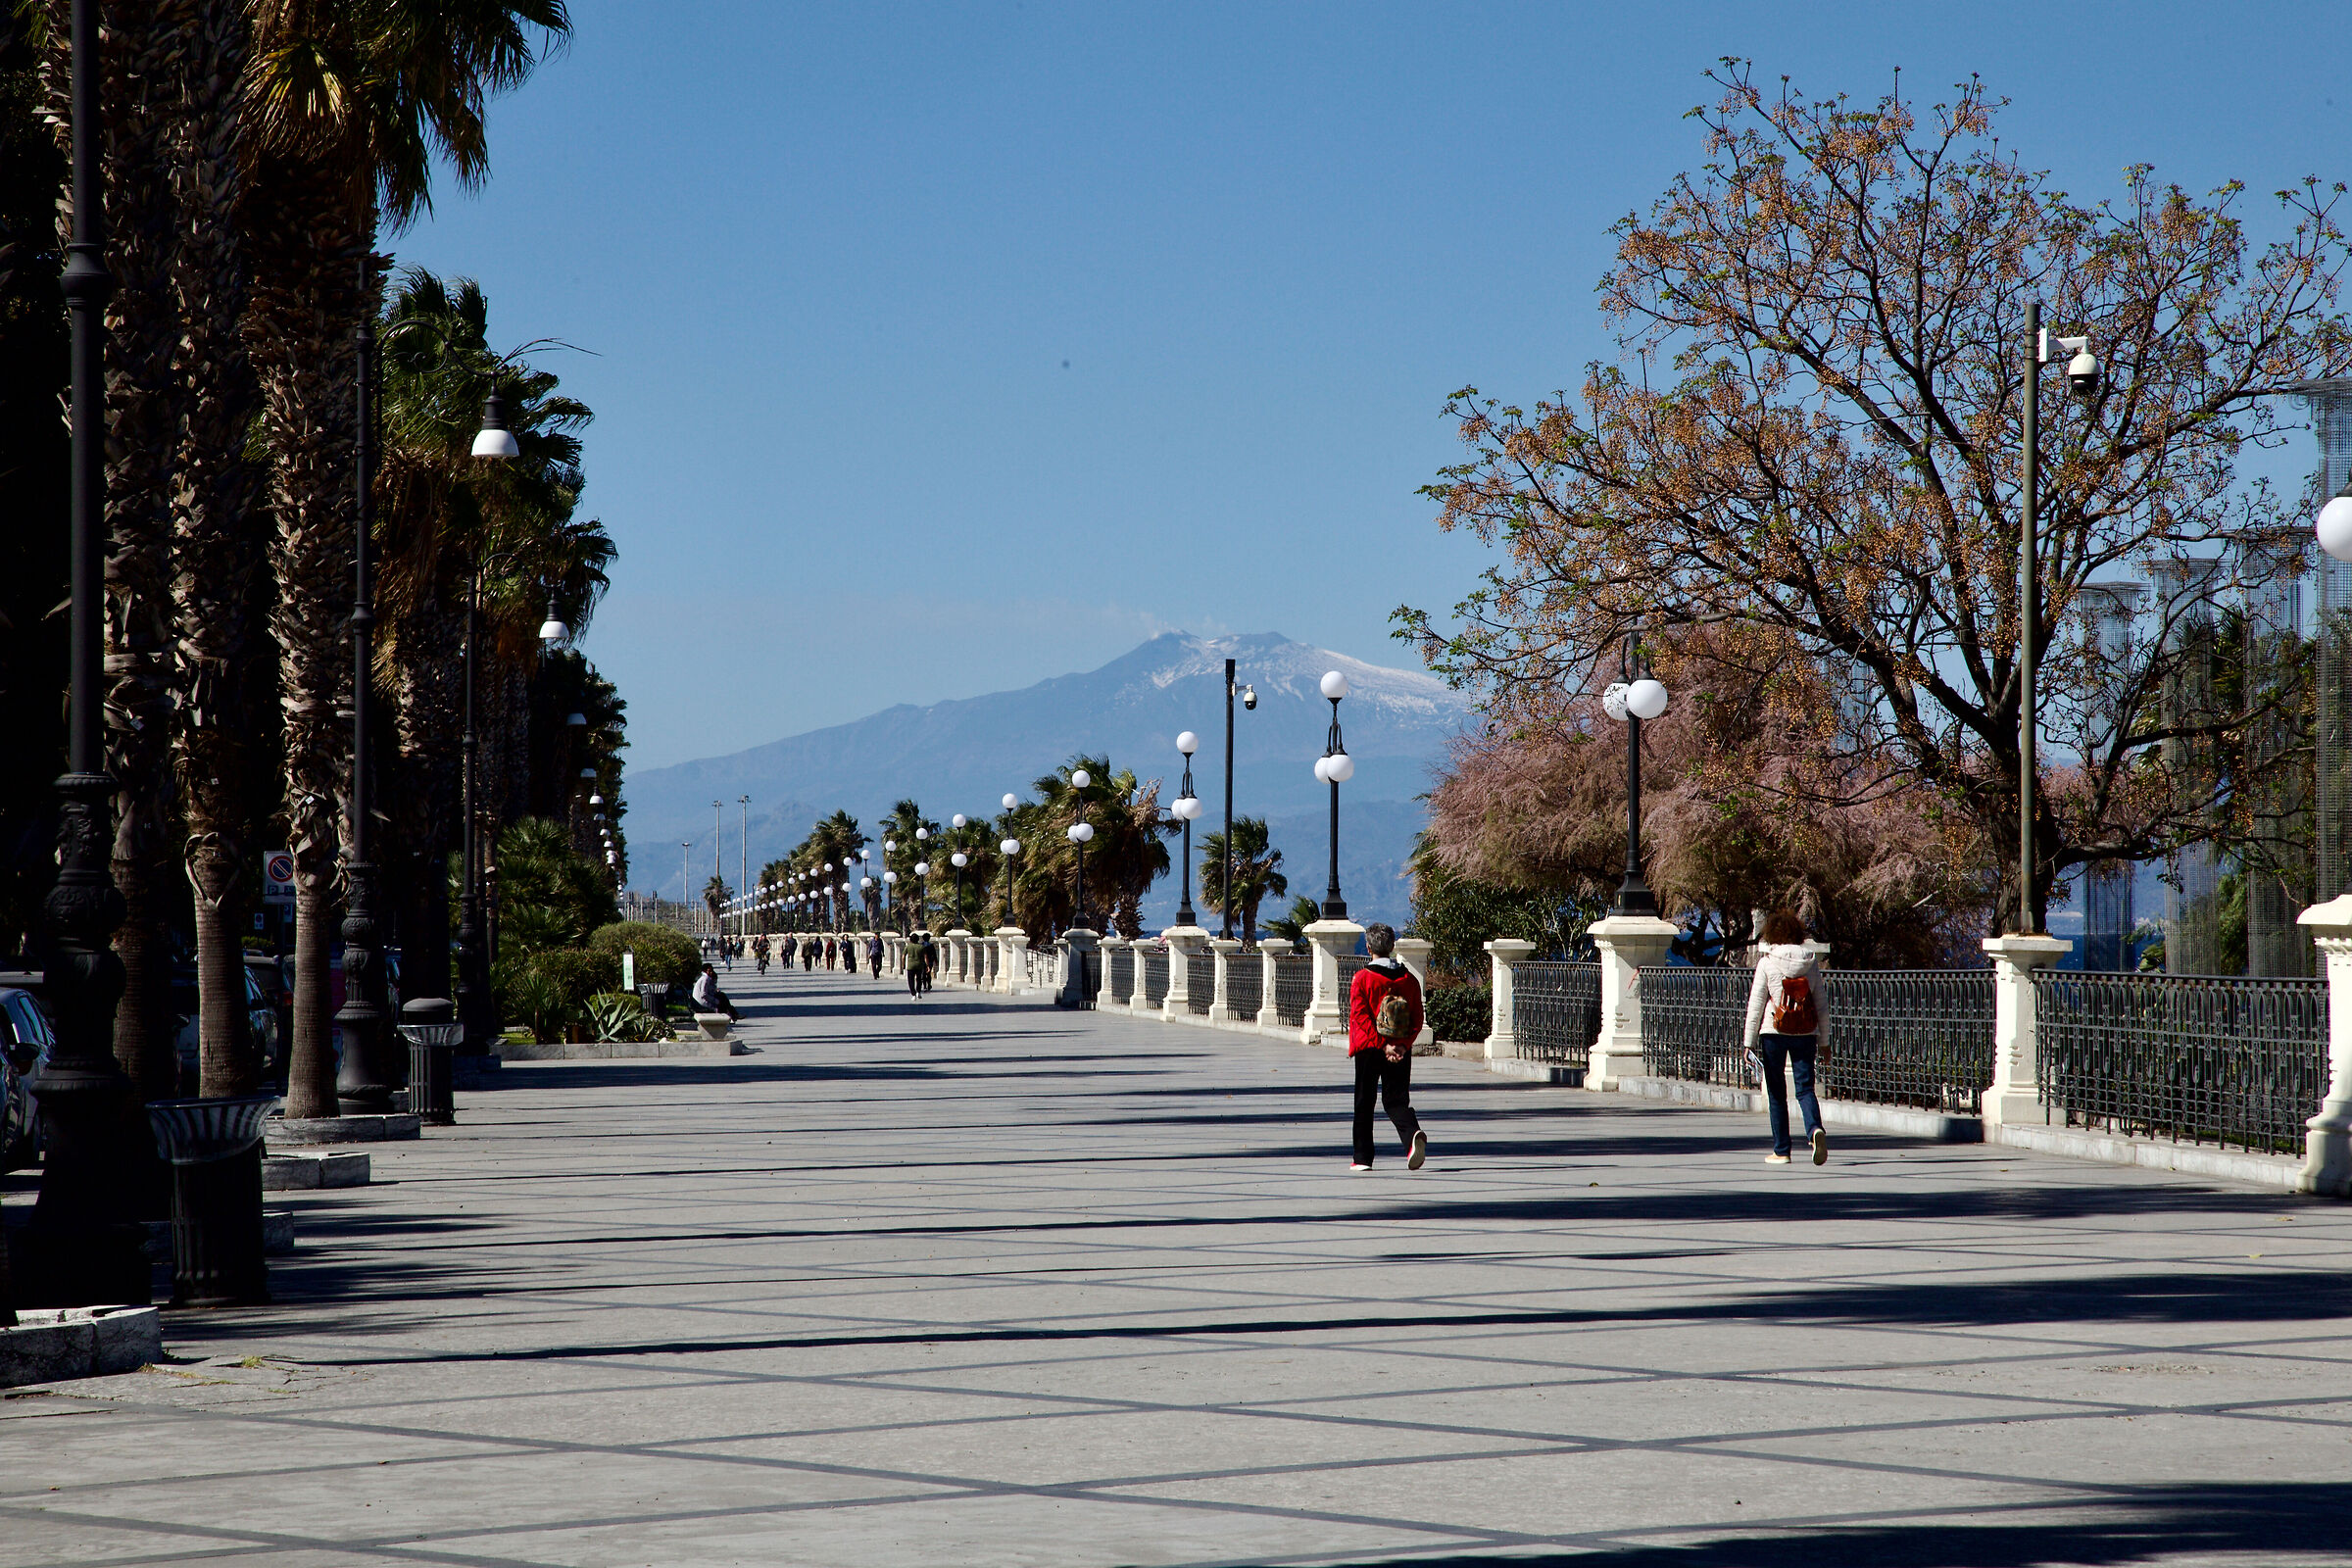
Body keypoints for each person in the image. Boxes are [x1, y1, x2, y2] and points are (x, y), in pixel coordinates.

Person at [1743, 908, 1829, 1166]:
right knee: (1805, 1089)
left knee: (1777, 1093)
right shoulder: (1811, 962)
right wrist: (1824, 1042)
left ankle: (1782, 1150)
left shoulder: (1767, 962)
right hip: (1805, 1032)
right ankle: (1814, 1130)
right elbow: (1821, 1004)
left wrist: (1748, 1042)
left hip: (1774, 1031)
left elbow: (1756, 1003)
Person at [1346, 923, 1426, 1172]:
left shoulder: (1362, 979)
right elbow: (1417, 1017)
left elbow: (1360, 1017)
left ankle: (1362, 1158)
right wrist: (1401, 1045)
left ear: (1368, 947)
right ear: (1392, 947)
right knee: (1396, 1099)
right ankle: (1411, 1136)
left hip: (1369, 1048)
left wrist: (1383, 1045)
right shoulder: (1409, 979)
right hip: (1400, 1047)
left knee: (1364, 1101)